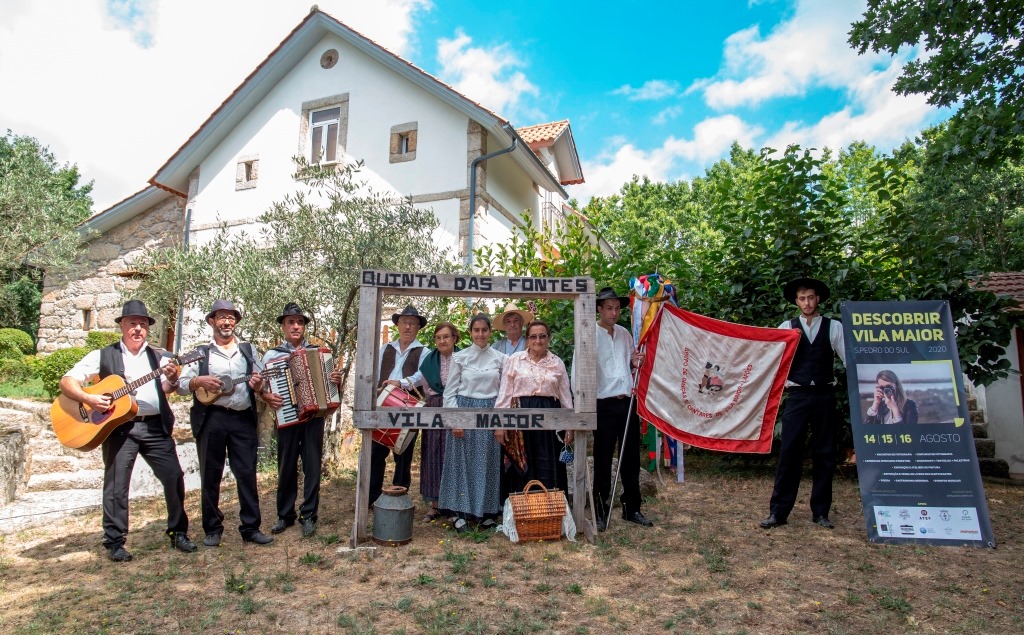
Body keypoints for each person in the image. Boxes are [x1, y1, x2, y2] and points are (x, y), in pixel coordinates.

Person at [60, 300, 197, 562]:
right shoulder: (102, 355)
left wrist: (172, 378)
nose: (137, 328)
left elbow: (168, 389)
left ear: (148, 329)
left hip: (155, 426)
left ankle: (178, 532)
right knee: (116, 485)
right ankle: (114, 541)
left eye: (143, 324)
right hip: (119, 427)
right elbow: (67, 380)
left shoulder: (161, 357)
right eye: (132, 323)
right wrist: (89, 400)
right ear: (122, 326)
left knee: (173, 476)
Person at [178, 299, 272, 546]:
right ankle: (212, 529)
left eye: (231, 317)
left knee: (247, 474)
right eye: (221, 317)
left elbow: (261, 381)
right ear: (212, 321)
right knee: (211, 476)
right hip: (212, 418)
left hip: (242, 419)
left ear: (236, 322)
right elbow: (181, 386)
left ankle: (251, 528)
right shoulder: (201, 352)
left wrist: (260, 385)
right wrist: (199, 382)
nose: (227, 321)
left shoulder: (248, 351)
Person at [761, 278, 846, 530]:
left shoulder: (834, 327)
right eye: (802, 298)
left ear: (818, 298)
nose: (807, 302)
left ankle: (820, 512)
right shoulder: (787, 327)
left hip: (824, 395)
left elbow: (849, 360)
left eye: (810, 297)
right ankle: (778, 512)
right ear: (796, 301)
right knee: (789, 453)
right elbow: (773, 361)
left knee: (825, 454)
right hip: (797, 397)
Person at [574, 287, 653, 531]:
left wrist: (635, 361)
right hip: (603, 403)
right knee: (603, 457)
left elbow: (629, 362)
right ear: (599, 308)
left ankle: (632, 507)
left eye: (617, 308)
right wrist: (582, 405)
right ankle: (600, 508)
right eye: (609, 308)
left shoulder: (625, 334)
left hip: (626, 401)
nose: (614, 312)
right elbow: (578, 370)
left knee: (630, 457)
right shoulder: (588, 335)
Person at [260, 303, 341, 537]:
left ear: (304, 326)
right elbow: (262, 387)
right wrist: (266, 396)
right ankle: (285, 515)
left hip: (313, 417)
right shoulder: (273, 355)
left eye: (300, 322)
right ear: (283, 326)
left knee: (312, 467)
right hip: (286, 415)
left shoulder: (319, 352)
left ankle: (309, 515)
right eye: (291, 322)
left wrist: (335, 380)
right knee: (285, 466)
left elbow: (330, 389)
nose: (296, 326)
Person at [439, 313, 506, 531]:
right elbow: (449, 393)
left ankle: (485, 513)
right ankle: (459, 513)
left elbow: (504, 394)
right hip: (464, 412)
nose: (480, 334)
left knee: (487, 465)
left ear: (490, 332)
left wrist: (499, 423)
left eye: (484, 330)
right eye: (476, 330)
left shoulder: (500, 358)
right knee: (461, 464)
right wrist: (456, 420)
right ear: (470, 333)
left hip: (490, 412)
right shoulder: (461, 358)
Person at [496, 319, 574, 493]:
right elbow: (505, 394)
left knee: (548, 464)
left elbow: (565, 397)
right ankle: (523, 514)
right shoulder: (515, 360)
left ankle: (550, 512)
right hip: (519, 422)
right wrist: (500, 425)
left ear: (549, 338)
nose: (538, 341)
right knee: (522, 466)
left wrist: (570, 426)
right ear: (527, 339)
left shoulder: (557, 362)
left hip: (550, 422)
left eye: (542, 336)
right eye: (533, 337)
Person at [371, 305, 428, 507]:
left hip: (408, 408)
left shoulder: (423, 351)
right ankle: (372, 497)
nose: (408, 326)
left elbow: (421, 376)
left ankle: (399, 497)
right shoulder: (385, 349)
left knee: (403, 456)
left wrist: (401, 383)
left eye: (413, 323)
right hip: (383, 407)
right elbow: (375, 374)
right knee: (375, 454)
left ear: (418, 328)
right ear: (397, 325)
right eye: (404, 322)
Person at [419, 321, 460, 522]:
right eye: (438, 337)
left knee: (452, 454)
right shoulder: (428, 361)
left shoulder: (464, 358)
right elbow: (426, 388)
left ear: (454, 338)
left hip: (456, 406)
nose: (442, 340)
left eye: (446, 336)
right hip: (435, 406)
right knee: (433, 454)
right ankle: (435, 505)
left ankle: (452, 505)